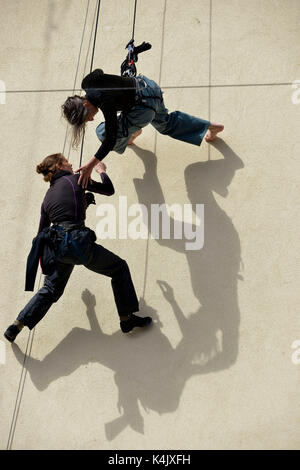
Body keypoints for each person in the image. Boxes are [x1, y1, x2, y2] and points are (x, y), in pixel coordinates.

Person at [3, 153, 151, 343]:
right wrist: (101, 171)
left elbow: (42, 231)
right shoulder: (75, 179)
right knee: (119, 268)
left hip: (61, 249)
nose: (71, 163)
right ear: (58, 167)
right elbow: (109, 189)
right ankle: (126, 319)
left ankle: (16, 326)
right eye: (66, 162)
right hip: (78, 244)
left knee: (50, 289)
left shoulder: (47, 198)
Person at [61, 69, 224, 188]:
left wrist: (90, 165)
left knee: (102, 132)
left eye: (86, 116)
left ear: (85, 104)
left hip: (142, 109)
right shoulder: (88, 83)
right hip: (150, 88)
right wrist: (118, 84)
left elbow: (110, 140)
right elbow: (99, 72)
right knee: (166, 123)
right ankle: (209, 126)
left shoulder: (105, 103)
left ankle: (132, 133)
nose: (91, 118)